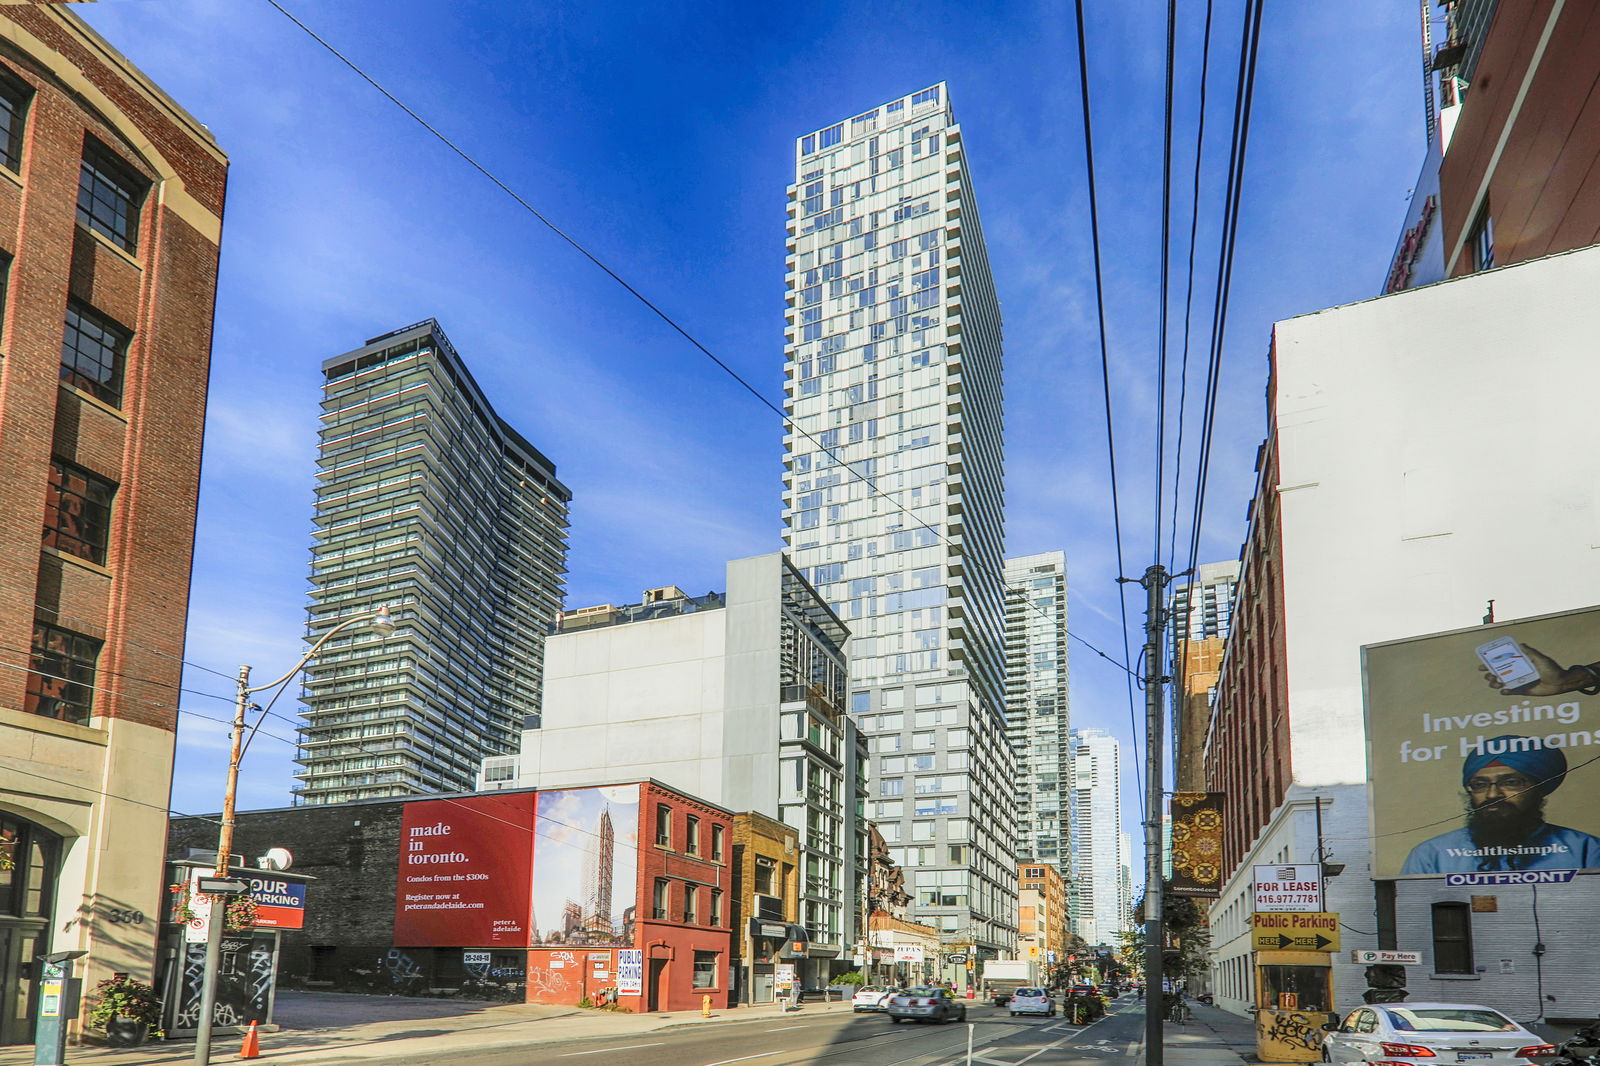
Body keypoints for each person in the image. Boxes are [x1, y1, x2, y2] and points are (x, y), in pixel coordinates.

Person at [1401, 736, 1600, 874]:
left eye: (1511, 782)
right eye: (1479, 785)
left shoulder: (1586, 849)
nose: (1492, 794)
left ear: (1539, 788)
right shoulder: (1431, 854)